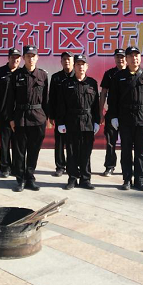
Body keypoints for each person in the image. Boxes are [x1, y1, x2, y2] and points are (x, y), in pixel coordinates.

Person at [107, 46, 143, 191]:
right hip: (125, 118)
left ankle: (140, 180)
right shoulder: (119, 76)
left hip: (142, 118)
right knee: (126, 150)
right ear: (126, 59)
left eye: (136, 56)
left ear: (140, 58)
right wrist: (113, 116)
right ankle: (127, 179)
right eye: (131, 56)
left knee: (140, 151)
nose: (134, 58)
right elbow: (113, 99)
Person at [6, 45, 49, 192]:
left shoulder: (42, 75)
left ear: (37, 58)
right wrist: (11, 118)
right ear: (23, 58)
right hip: (20, 118)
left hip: (38, 118)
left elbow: (46, 99)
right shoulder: (16, 75)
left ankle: (30, 177)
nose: (31, 58)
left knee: (34, 150)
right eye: (28, 56)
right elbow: (10, 100)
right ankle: (20, 179)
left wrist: (46, 117)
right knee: (19, 151)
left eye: (33, 56)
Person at [56, 54, 100, 190]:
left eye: (83, 64)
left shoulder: (92, 83)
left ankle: (85, 179)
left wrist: (97, 121)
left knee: (86, 152)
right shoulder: (66, 83)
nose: (80, 67)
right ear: (74, 67)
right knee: (72, 151)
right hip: (72, 121)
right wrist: (60, 122)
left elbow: (96, 105)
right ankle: (72, 178)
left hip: (88, 121)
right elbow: (61, 104)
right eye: (78, 64)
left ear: (87, 66)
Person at [0, 48, 21, 178]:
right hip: (4, 114)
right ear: (8, 58)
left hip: (19, 115)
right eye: (13, 57)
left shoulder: (22, 73)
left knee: (18, 143)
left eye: (17, 58)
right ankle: (5, 167)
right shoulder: (0, 73)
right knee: (5, 143)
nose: (15, 60)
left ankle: (17, 167)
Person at [99, 48, 126, 176]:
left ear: (126, 58)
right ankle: (110, 166)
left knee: (127, 142)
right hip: (112, 112)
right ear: (114, 58)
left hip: (127, 113)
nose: (120, 59)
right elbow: (103, 93)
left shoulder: (131, 73)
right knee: (110, 141)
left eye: (122, 57)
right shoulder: (109, 74)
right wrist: (100, 112)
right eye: (117, 57)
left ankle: (127, 167)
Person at [48, 51, 75, 176]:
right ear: (61, 62)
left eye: (69, 59)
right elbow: (52, 97)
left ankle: (72, 165)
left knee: (72, 143)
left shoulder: (78, 76)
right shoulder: (56, 77)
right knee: (59, 142)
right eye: (64, 59)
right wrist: (51, 115)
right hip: (60, 115)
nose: (66, 61)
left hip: (74, 115)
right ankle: (60, 166)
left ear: (73, 61)